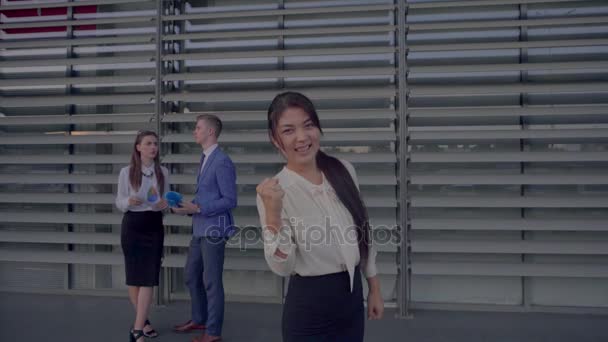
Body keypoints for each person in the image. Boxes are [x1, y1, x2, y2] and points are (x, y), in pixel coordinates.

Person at [256, 92, 384, 342]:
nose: (302, 137)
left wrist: (374, 289)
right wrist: (273, 216)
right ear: (275, 139)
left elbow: (363, 231)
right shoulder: (274, 191)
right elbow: (283, 267)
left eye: (308, 125)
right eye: (289, 130)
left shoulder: (343, 170)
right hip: (309, 308)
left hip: (351, 299)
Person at [172, 114, 237, 342]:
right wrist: (187, 208)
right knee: (191, 276)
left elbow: (230, 200)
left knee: (211, 281)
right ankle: (199, 319)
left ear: (210, 132)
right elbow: (207, 196)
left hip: (214, 230)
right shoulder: (205, 158)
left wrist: (198, 208)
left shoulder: (222, 161)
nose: (194, 131)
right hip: (200, 229)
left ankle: (212, 332)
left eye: (197, 128)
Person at [115, 130, 170, 342]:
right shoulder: (125, 172)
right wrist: (128, 201)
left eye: (155, 144)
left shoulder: (163, 172)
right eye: (148, 143)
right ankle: (144, 322)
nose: (153, 147)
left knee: (149, 278)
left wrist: (165, 203)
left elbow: (166, 198)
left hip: (154, 225)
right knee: (134, 279)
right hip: (132, 225)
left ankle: (136, 329)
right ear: (138, 147)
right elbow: (119, 201)